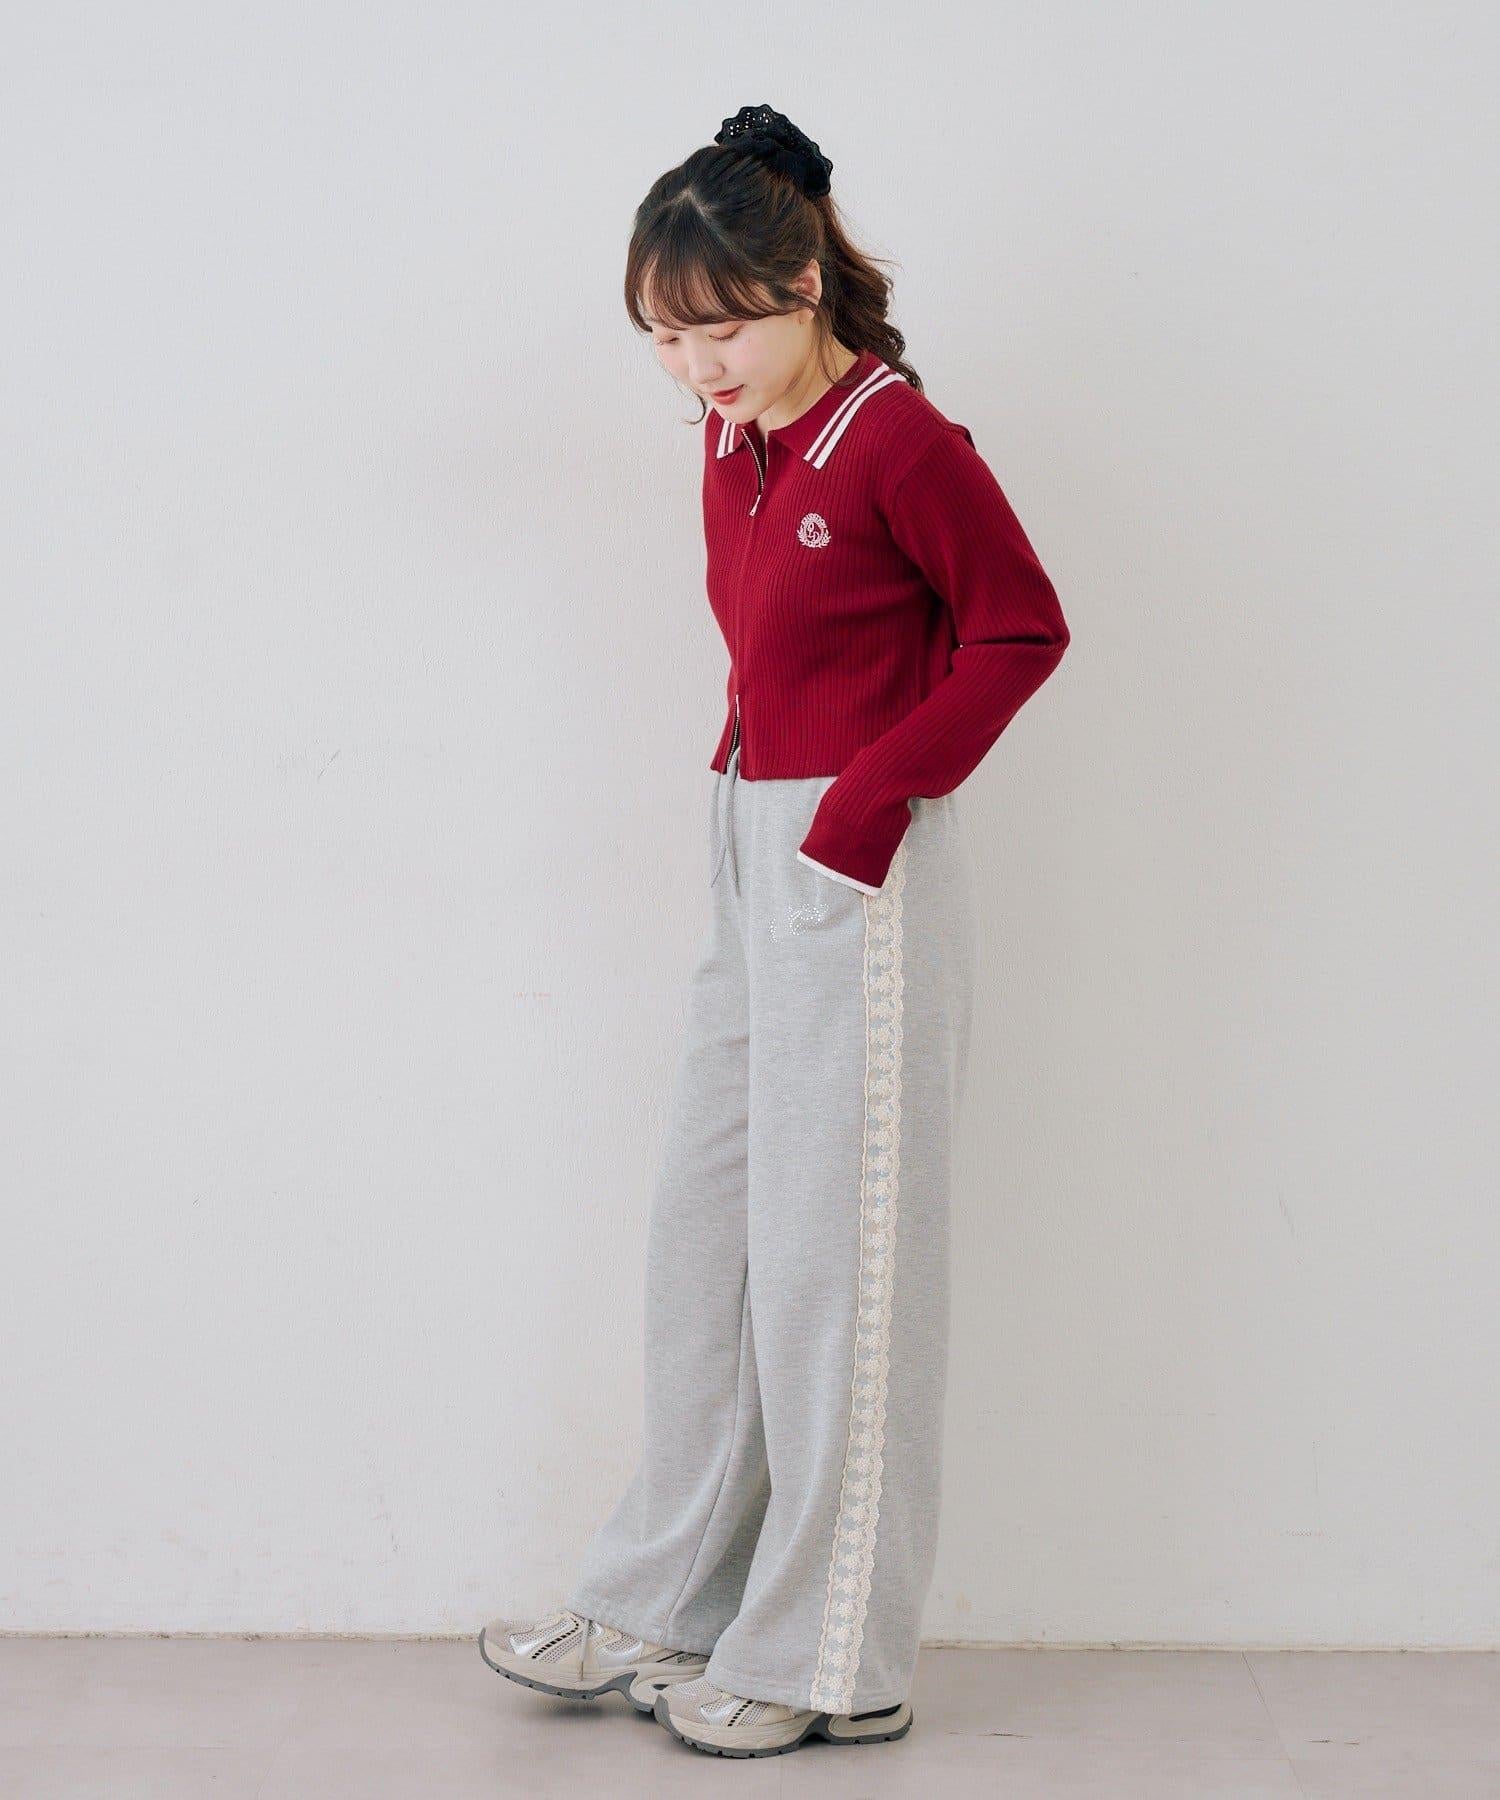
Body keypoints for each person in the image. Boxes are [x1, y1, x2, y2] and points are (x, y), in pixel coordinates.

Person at [480, 103, 1070, 1759]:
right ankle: (668, 1599)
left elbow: (1021, 630)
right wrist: (760, 813)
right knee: (710, 1239)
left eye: (721, 331)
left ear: (804, 285)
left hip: (855, 865)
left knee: (838, 1268)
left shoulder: (900, 440)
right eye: (665, 339)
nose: (695, 369)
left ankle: (832, 1656)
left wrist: (866, 803)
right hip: (748, 844)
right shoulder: (735, 438)